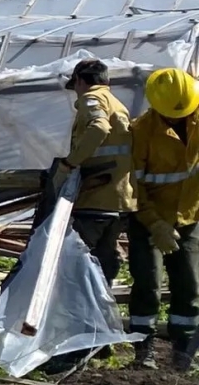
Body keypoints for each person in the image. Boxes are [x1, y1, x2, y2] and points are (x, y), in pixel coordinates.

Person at [128, 67, 199, 370]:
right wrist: (155, 223)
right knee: (148, 281)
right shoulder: (141, 131)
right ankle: (143, 347)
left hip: (191, 215)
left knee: (190, 283)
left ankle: (184, 348)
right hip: (150, 219)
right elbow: (133, 185)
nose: (179, 118)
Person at [53, 59, 135, 283]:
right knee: (105, 259)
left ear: (79, 81)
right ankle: (101, 306)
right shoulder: (116, 103)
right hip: (117, 198)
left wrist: (70, 163)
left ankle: (79, 309)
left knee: (77, 259)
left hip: (94, 196)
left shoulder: (92, 98)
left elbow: (99, 127)